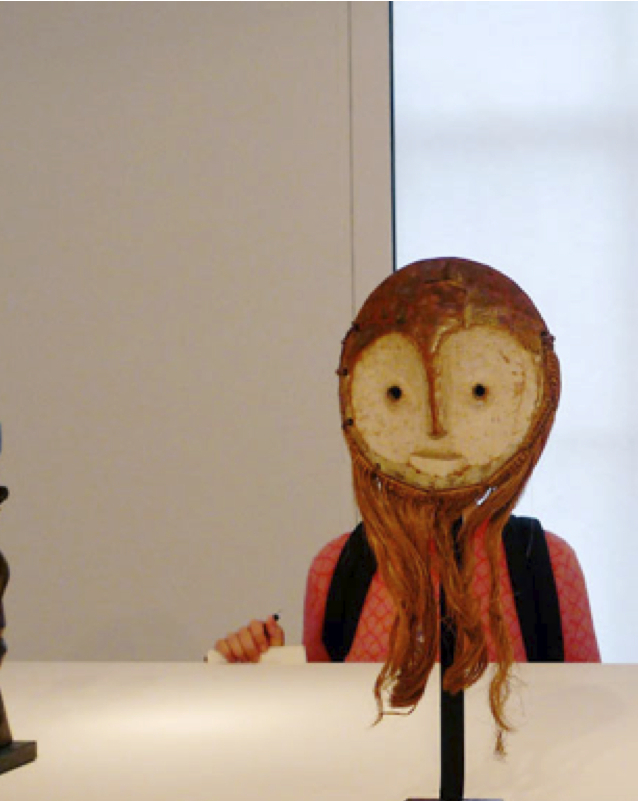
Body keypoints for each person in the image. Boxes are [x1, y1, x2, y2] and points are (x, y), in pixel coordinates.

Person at [214, 258, 599, 742]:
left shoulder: (545, 567)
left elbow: (588, 728)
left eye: (477, 391)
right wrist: (255, 668)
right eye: (398, 392)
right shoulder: (339, 571)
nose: (437, 426)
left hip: (523, 791)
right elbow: (323, 735)